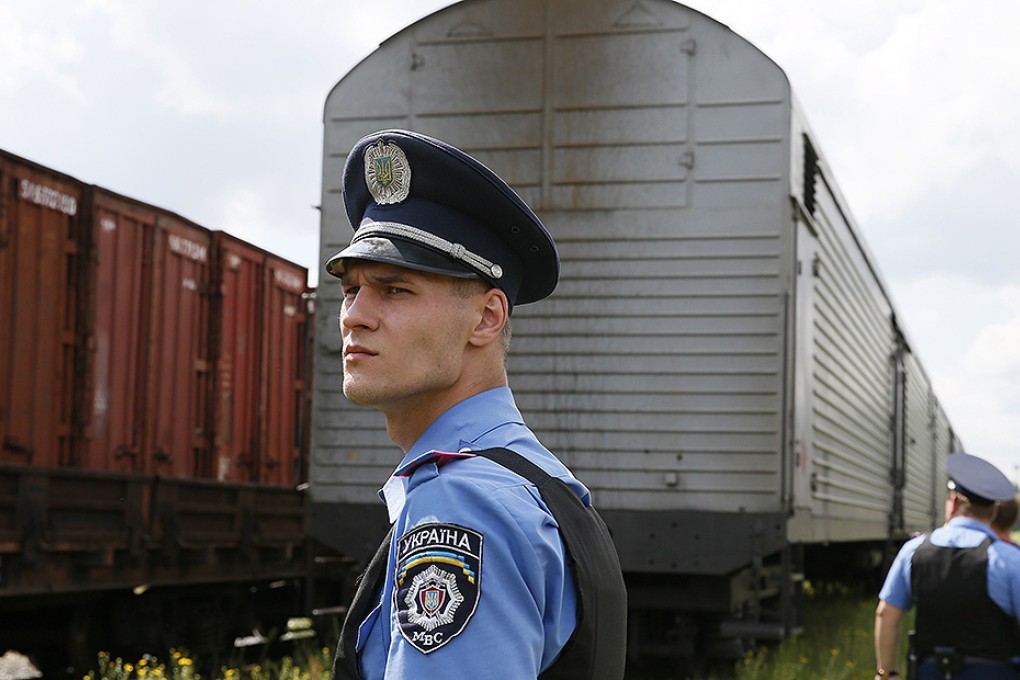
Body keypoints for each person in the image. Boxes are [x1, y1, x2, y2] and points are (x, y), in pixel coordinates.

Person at [324, 129, 627, 680]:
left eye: (394, 289)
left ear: (486, 318)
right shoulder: (536, 479)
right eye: (351, 290)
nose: (354, 316)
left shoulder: (461, 506)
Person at [873, 452, 1020, 679]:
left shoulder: (913, 551)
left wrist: (886, 673)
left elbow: (886, 613)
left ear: (953, 503)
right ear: (994, 511)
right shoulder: (1009, 559)